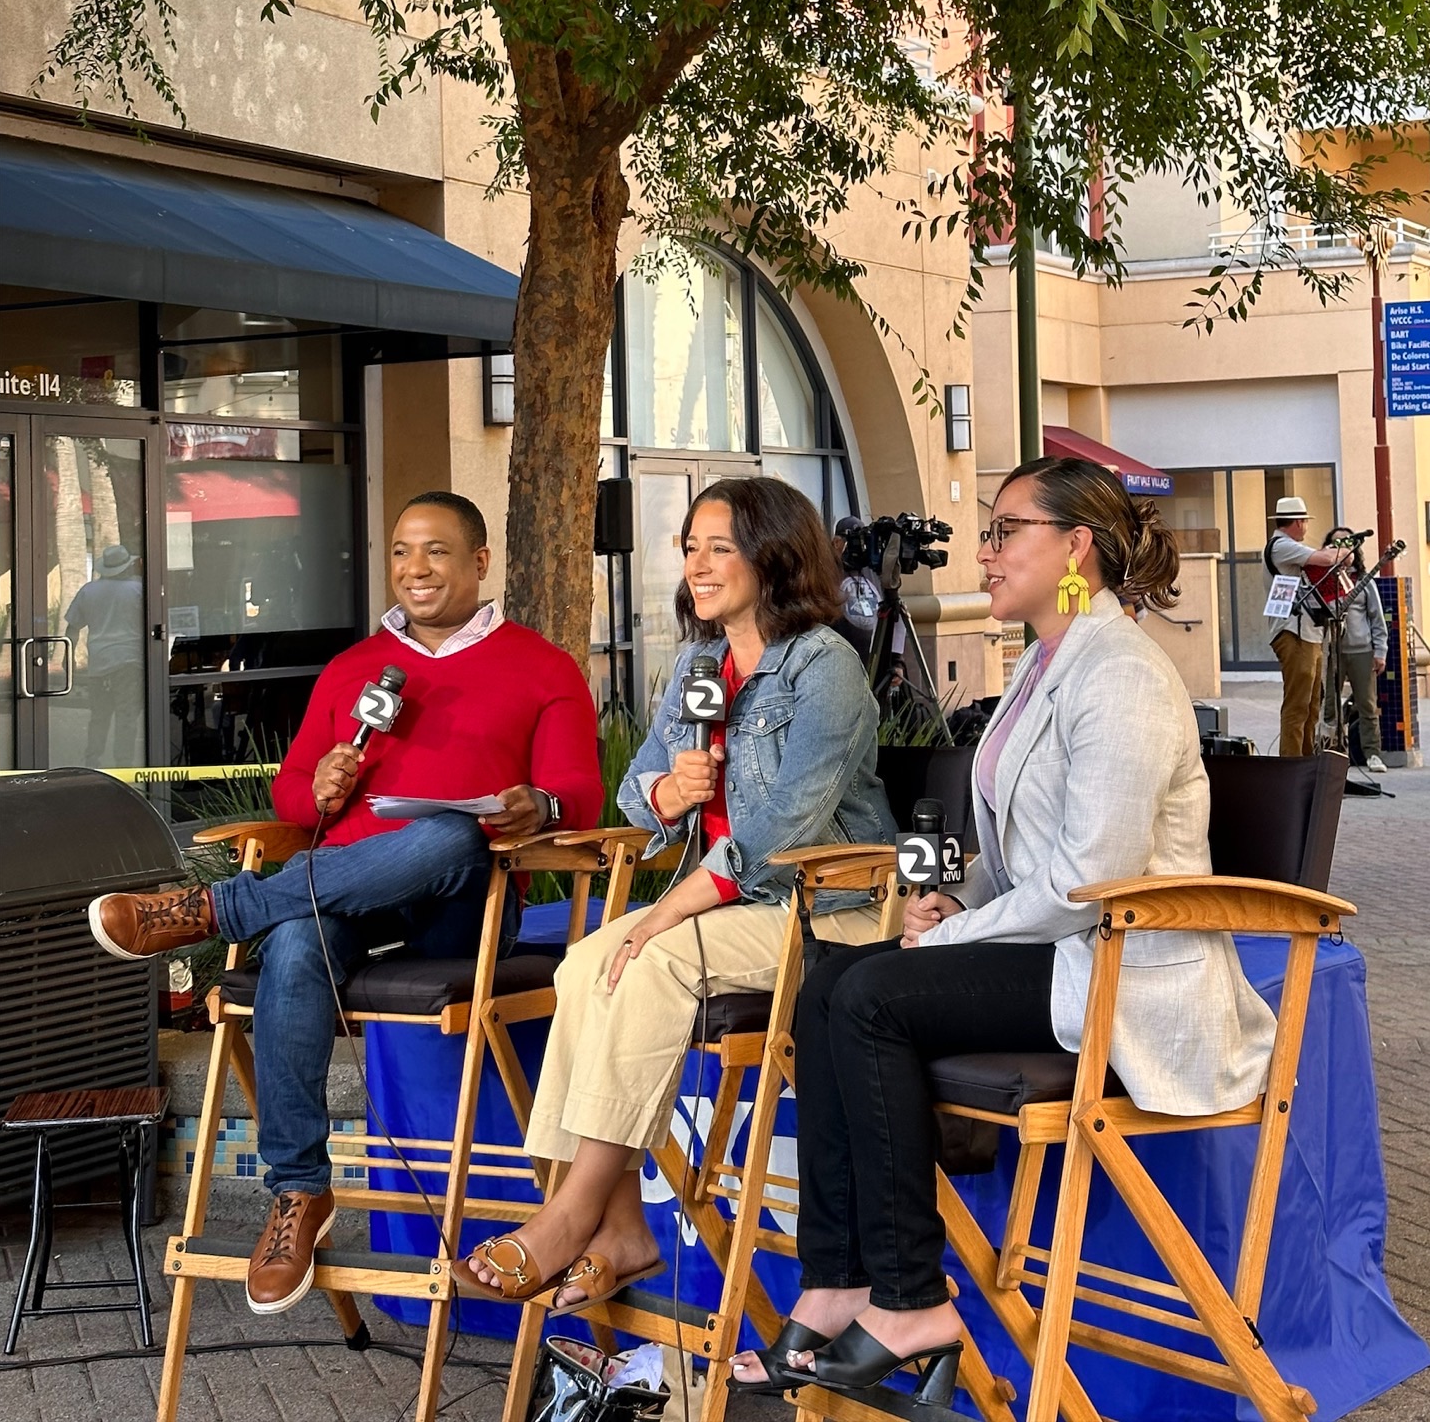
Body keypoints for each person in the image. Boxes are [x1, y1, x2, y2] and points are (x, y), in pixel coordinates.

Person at [730, 457, 1277, 1395]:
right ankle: (833, 1284)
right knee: (828, 985)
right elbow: (1028, 861)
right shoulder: (1045, 665)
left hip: (1122, 968)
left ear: (1074, 549)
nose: (981, 553)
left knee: (865, 998)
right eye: (985, 532)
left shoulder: (1122, 675)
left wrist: (945, 938)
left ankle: (909, 1303)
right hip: (1066, 949)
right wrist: (963, 902)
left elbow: (1085, 881)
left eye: (1002, 531)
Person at [88, 490, 601, 1316]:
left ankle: (214, 911)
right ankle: (300, 1194)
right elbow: (295, 795)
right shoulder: (358, 670)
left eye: (435, 551)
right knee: (293, 943)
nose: (415, 569)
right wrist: (318, 783)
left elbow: (580, 792)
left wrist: (536, 807)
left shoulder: (541, 667)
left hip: (467, 905)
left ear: (479, 562)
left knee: (448, 836)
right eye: (401, 551)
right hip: (348, 888)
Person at [462, 476, 895, 1308]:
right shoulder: (703, 665)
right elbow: (635, 792)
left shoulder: (825, 666)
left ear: (771, 557)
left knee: (648, 960)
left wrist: (662, 912)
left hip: (824, 914)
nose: (696, 564)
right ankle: (621, 1227)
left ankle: (568, 1213)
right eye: (689, 547)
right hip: (727, 912)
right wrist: (670, 792)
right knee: (582, 967)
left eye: (717, 547)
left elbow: (781, 832)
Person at [1264, 495, 1341, 758]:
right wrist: (1342, 551)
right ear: (1297, 522)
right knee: (1298, 706)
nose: (1306, 526)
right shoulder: (1281, 546)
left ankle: (1306, 762)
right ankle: (1292, 766)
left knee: (1311, 706)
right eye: (1305, 521)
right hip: (1292, 632)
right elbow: (1323, 559)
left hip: (1307, 632)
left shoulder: (1288, 547)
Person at [65, 543, 143, 763]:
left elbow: (72, 628)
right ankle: (124, 766)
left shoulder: (88, 591)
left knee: (99, 718)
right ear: (127, 566)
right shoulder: (138, 589)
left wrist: (67, 657)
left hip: (99, 664)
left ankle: (93, 762)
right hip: (130, 662)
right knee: (126, 718)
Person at [1320, 527, 1389, 775]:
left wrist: (1380, 650)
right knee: (1330, 704)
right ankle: (1331, 752)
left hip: (1361, 649)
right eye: (1335, 544)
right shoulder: (1322, 580)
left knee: (1367, 704)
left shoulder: (1363, 579)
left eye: (1347, 544)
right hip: (1332, 651)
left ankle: (1372, 754)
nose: (1341, 549)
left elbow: (1377, 619)